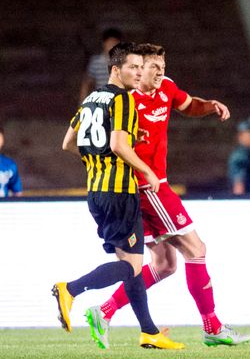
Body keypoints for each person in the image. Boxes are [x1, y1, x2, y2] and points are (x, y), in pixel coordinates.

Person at [90, 44, 250, 347]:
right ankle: (212, 327)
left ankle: (104, 311)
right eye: (152, 66)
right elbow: (112, 141)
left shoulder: (166, 88)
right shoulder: (126, 101)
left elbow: (189, 105)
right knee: (196, 249)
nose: (159, 71)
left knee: (165, 264)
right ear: (137, 70)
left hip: (151, 187)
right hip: (147, 187)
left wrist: (210, 105)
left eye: (162, 66)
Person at [53, 42, 184, 350]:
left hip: (96, 190)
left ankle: (149, 331)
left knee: (131, 263)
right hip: (120, 192)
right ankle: (69, 289)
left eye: (141, 67)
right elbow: (118, 146)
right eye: (133, 68)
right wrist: (148, 171)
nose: (139, 73)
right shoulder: (123, 99)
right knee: (133, 267)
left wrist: (95, 161)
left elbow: (68, 143)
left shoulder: (91, 100)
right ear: (116, 69)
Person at [79, 28, 123, 101]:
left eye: (114, 43)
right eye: (109, 43)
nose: (112, 46)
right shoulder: (96, 62)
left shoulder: (124, 63)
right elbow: (87, 83)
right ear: (104, 43)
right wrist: (82, 101)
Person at [228, 119, 250, 195]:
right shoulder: (240, 155)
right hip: (245, 197)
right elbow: (238, 184)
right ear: (240, 135)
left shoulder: (249, 152)